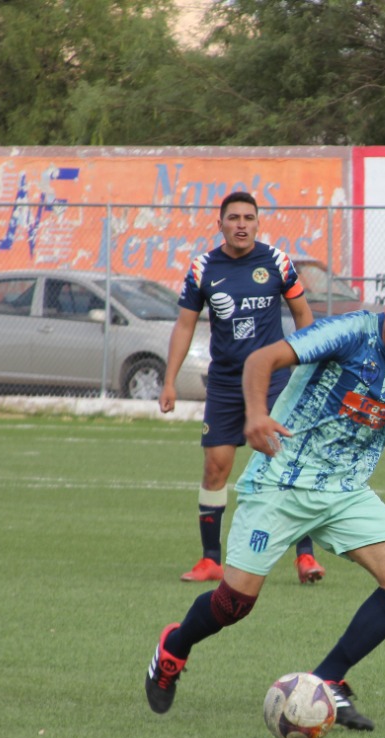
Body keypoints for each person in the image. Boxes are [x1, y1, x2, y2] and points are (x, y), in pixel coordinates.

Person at [145, 266, 385, 731]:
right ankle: (174, 647)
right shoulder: (348, 333)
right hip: (281, 479)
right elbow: (261, 360)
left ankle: (327, 682)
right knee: (233, 605)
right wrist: (257, 414)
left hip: (345, 491)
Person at [159, 190, 325, 585]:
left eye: (249, 217)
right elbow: (185, 324)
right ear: (220, 224)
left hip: (274, 381)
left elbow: (303, 313)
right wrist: (169, 381)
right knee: (215, 466)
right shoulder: (203, 269)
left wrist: (307, 366)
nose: (241, 224)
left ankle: (305, 556)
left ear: (257, 223)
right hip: (225, 383)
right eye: (233, 218)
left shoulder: (277, 262)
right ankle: (211, 560)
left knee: (284, 463)